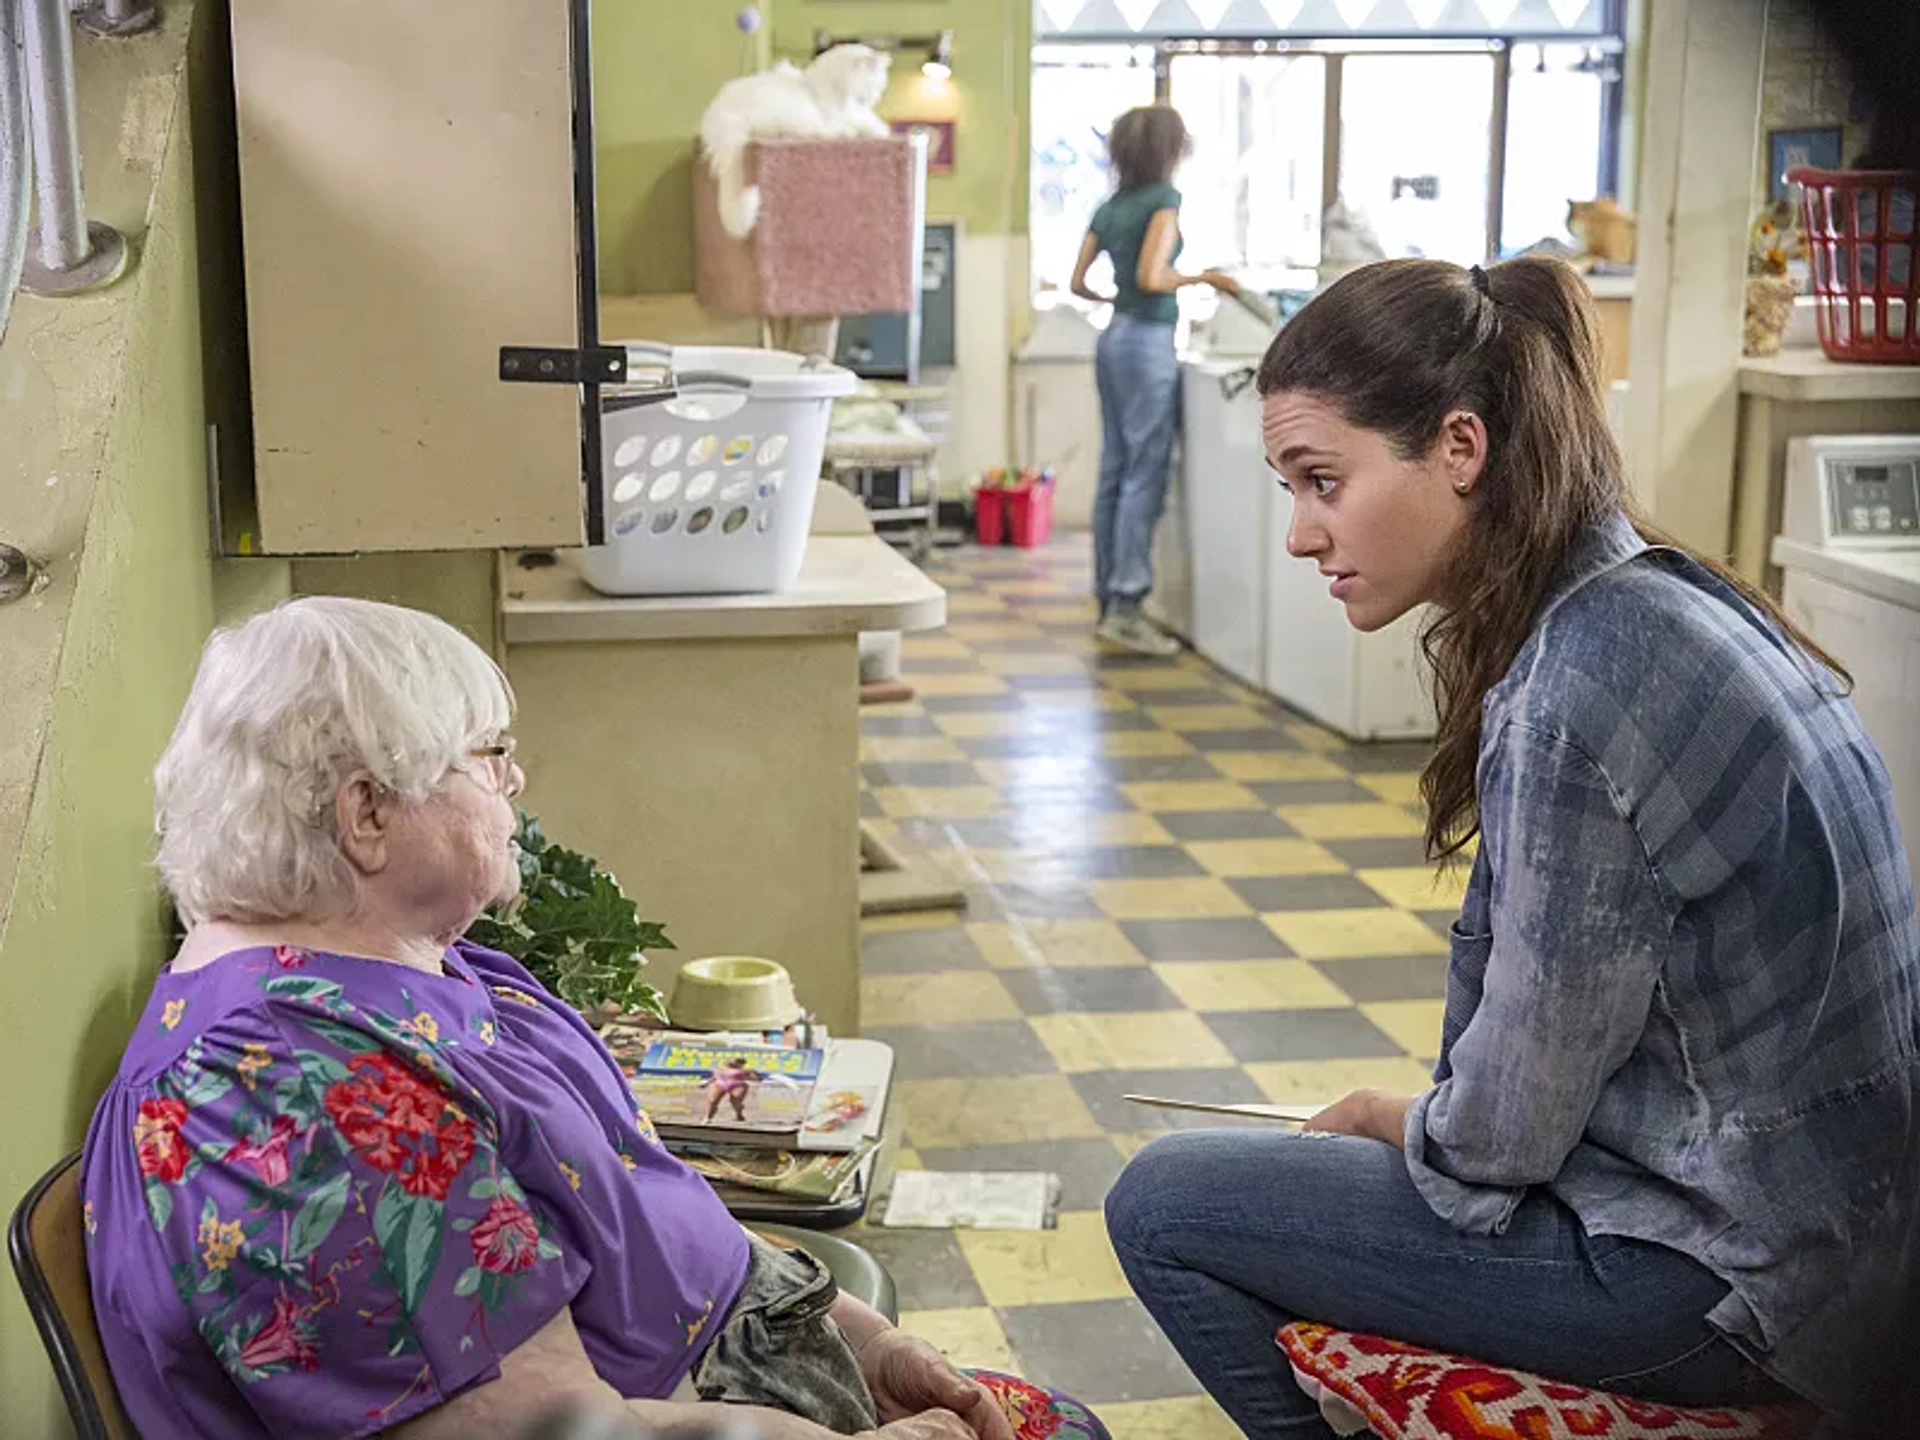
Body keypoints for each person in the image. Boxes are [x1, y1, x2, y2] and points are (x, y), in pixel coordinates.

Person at [1103, 257, 1920, 1437]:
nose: (1300, 534)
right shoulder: (1669, 595)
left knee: (1162, 1203)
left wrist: (1401, 1117)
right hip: (1850, 1246)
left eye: (1323, 481)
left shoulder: (1575, 684)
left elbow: (1502, 1136)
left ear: (1461, 448)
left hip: (1732, 1284)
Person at [81, 597, 1108, 1440]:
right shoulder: (290, 1092)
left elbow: (640, 1207)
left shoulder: (420, 971)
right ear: (366, 815)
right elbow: (557, 1432)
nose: (516, 779)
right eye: (487, 755)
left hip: (746, 1368)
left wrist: (861, 1336)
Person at [1069, 103, 1238, 656]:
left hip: (1113, 336)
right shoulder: (1165, 200)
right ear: (1170, 150)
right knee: (1145, 474)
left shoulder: (1111, 204)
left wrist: (1118, 297)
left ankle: (1106, 599)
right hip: (1147, 343)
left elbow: (1078, 282)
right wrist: (1206, 277)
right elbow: (1152, 274)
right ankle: (1127, 607)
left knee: (1115, 472)